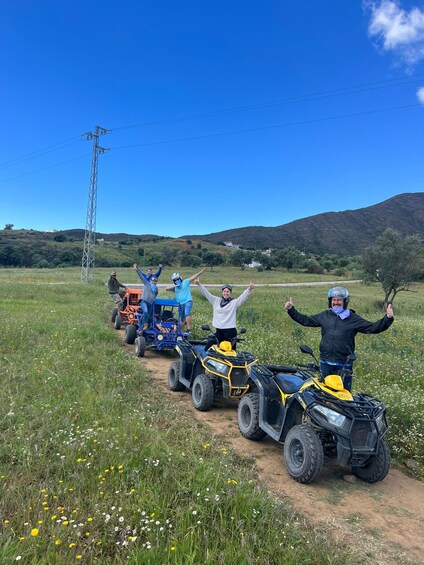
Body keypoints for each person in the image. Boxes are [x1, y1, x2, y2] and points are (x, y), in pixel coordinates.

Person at [284, 286, 394, 391]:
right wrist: (291, 310)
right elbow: (305, 320)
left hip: (344, 364)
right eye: (334, 300)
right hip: (325, 362)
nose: (336, 302)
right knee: (324, 393)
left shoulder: (353, 319)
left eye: (339, 300)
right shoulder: (325, 316)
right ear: (330, 301)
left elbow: (373, 328)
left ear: (345, 302)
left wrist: (387, 319)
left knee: (343, 395)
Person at [195, 279, 255, 349]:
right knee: (208, 348)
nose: (226, 293)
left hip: (230, 332)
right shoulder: (216, 300)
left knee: (230, 353)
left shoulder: (234, 302)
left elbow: (242, 298)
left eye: (228, 291)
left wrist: (249, 289)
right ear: (222, 292)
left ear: (230, 293)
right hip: (219, 331)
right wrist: (199, 285)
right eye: (224, 291)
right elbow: (207, 294)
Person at [164, 268, 206, 333]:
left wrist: (200, 272)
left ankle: (189, 328)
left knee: (187, 314)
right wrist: (175, 286)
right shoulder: (175, 288)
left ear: (180, 278)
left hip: (188, 301)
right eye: (175, 280)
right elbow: (166, 288)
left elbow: (193, 277)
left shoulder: (185, 282)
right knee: (182, 319)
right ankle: (181, 332)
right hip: (180, 304)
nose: (177, 280)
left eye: (178, 279)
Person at [133, 263, 159, 330]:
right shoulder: (147, 283)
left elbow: (155, 294)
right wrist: (136, 269)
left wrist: (153, 299)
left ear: (156, 282)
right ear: (150, 280)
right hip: (144, 301)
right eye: (152, 280)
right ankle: (141, 328)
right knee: (146, 312)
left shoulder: (156, 288)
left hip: (150, 303)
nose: (153, 281)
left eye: (155, 281)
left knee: (147, 316)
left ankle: (141, 327)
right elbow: (141, 276)